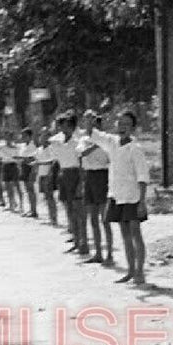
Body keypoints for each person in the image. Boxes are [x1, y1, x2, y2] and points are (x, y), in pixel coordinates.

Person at [79, 111, 152, 285]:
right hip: (117, 195)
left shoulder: (135, 149)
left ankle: (140, 272)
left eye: (126, 124)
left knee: (135, 234)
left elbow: (142, 177)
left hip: (132, 196)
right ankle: (131, 270)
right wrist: (89, 121)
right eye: (120, 124)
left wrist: (142, 201)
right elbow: (93, 134)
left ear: (132, 128)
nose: (122, 127)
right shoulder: (111, 142)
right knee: (125, 234)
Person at [78, 109, 115, 267]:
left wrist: (96, 142)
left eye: (92, 119)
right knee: (93, 217)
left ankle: (109, 254)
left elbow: (110, 157)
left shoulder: (106, 140)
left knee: (104, 218)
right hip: (89, 176)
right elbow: (82, 153)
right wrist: (94, 144)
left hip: (102, 175)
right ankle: (98, 253)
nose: (89, 122)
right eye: (86, 119)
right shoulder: (84, 139)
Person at [52, 113, 86, 256]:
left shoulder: (77, 142)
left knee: (79, 211)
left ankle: (83, 243)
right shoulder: (58, 142)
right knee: (69, 210)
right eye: (61, 125)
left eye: (66, 125)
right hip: (64, 175)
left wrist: (80, 183)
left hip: (75, 175)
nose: (63, 128)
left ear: (72, 127)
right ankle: (76, 240)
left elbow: (82, 164)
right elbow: (57, 161)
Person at [33, 125, 60, 226]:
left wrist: (40, 163)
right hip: (41, 175)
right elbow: (36, 160)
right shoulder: (39, 149)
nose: (43, 138)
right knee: (46, 197)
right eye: (42, 135)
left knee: (50, 197)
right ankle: (51, 216)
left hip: (49, 175)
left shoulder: (51, 148)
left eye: (45, 135)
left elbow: (52, 161)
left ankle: (54, 218)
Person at [18, 126, 40, 218]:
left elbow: (34, 158)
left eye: (25, 135)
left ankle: (34, 210)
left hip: (30, 168)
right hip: (24, 167)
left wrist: (25, 160)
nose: (23, 137)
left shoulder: (33, 146)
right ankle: (31, 209)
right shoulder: (23, 146)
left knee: (31, 189)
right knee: (27, 189)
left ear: (29, 136)